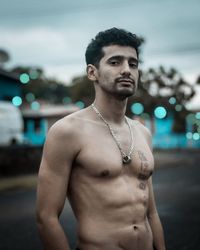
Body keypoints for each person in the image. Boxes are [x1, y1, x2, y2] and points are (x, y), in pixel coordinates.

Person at [36, 27, 166, 250]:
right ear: (92, 72)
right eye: (115, 62)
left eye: (133, 64)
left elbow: (151, 212)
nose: (127, 70)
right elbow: (46, 217)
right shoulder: (67, 131)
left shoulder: (142, 133)